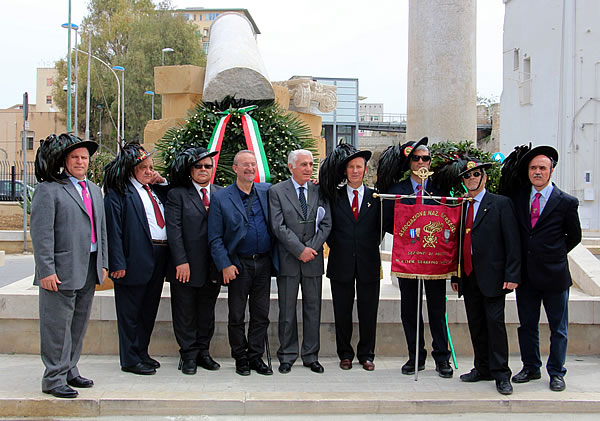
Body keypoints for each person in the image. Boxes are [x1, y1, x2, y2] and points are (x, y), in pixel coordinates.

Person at [31, 133, 108, 398]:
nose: (80, 161)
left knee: (78, 323)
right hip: (61, 270)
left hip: (88, 266)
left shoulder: (95, 190)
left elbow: (102, 231)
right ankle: (53, 378)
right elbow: (41, 234)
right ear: (65, 161)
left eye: (84, 157)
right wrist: (46, 270)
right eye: (74, 157)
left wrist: (104, 263)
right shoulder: (49, 189)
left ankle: (70, 369)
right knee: (56, 326)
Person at [508, 146, 581, 392]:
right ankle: (530, 367)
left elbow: (575, 236)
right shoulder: (518, 198)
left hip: (555, 276)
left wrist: (554, 254)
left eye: (542, 168)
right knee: (527, 325)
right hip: (526, 277)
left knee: (558, 328)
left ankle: (557, 372)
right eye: (533, 168)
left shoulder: (567, 202)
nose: (537, 172)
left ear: (551, 171)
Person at [382, 137, 453, 378]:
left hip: (434, 259)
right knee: (410, 309)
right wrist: (409, 236)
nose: (421, 162)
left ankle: (442, 358)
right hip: (409, 257)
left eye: (425, 158)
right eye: (416, 158)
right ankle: (415, 356)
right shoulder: (397, 191)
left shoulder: (440, 189)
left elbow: (449, 219)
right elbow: (389, 221)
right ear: (409, 162)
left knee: (436, 308)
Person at [451, 158, 520, 395]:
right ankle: (482, 367)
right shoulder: (461, 206)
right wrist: (456, 275)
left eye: (476, 174)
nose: (471, 179)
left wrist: (512, 273)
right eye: (467, 176)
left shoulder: (500, 204)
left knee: (495, 325)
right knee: (476, 324)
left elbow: (512, 241)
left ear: (484, 177)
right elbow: (459, 244)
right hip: (469, 276)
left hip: (493, 276)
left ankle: (501, 373)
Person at [208, 150, 277, 376]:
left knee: (261, 314)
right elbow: (215, 237)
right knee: (236, 315)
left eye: (253, 165)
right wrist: (224, 264)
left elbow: (292, 191)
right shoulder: (221, 198)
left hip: (264, 263)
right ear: (235, 168)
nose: (250, 168)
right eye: (245, 165)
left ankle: (256, 356)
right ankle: (240, 357)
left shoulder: (267, 191)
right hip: (238, 265)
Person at [104, 143, 169, 375]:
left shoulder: (152, 189)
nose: (149, 171)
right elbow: (114, 231)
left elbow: (170, 195)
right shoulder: (119, 192)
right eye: (144, 168)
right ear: (131, 169)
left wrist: (159, 180)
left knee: (148, 309)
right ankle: (130, 359)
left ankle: (142, 351)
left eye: (151, 167)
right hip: (134, 257)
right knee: (130, 312)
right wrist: (117, 263)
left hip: (158, 255)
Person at [269, 149, 332, 374]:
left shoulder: (319, 190)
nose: (308, 168)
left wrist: (311, 249)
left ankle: (311, 355)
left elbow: (326, 224)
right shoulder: (277, 191)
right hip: (289, 259)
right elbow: (278, 225)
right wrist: (299, 250)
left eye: (310, 164)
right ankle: (287, 355)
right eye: (303, 164)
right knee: (286, 310)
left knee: (313, 309)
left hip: (313, 260)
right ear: (291, 167)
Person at [165, 146, 222, 375]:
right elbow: (174, 230)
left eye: (207, 166)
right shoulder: (177, 194)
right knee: (185, 312)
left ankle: (203, 352)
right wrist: (181, 261)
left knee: (206, 313)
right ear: (190, 170)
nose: (203, 169)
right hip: (186, 267)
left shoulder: (220, 193)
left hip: (212, 267)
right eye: (198, 166)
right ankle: (188, 355)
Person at [325, 148, 382, 371]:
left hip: (368, 263)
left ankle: (367, 354)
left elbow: (381, 228)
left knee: (369, 311)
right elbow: (327, 227)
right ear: (346, 171)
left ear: (365, 170)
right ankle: (345, 354)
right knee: (342, 311)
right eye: (351, 167)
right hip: (341, 262)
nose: (355, 171)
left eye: (359, 167)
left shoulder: (376, 197)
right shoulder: (334, 196)